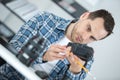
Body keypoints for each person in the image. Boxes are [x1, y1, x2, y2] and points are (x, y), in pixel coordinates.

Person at [0, 9, 115, 80]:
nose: (85, 37)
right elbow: (13, 47)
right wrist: (43, 56)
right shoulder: (44, 19)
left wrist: (74, 71)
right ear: (84, 16)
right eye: (88, 28)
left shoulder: (86, 59)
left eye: (92, 38)